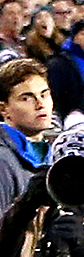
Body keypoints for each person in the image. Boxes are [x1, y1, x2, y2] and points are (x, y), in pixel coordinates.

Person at [0, 59, 53, 214]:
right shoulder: (3, 160)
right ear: (4, 109)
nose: (40, 104)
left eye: (44, 95)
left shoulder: (55, 155)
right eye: (27, 98)